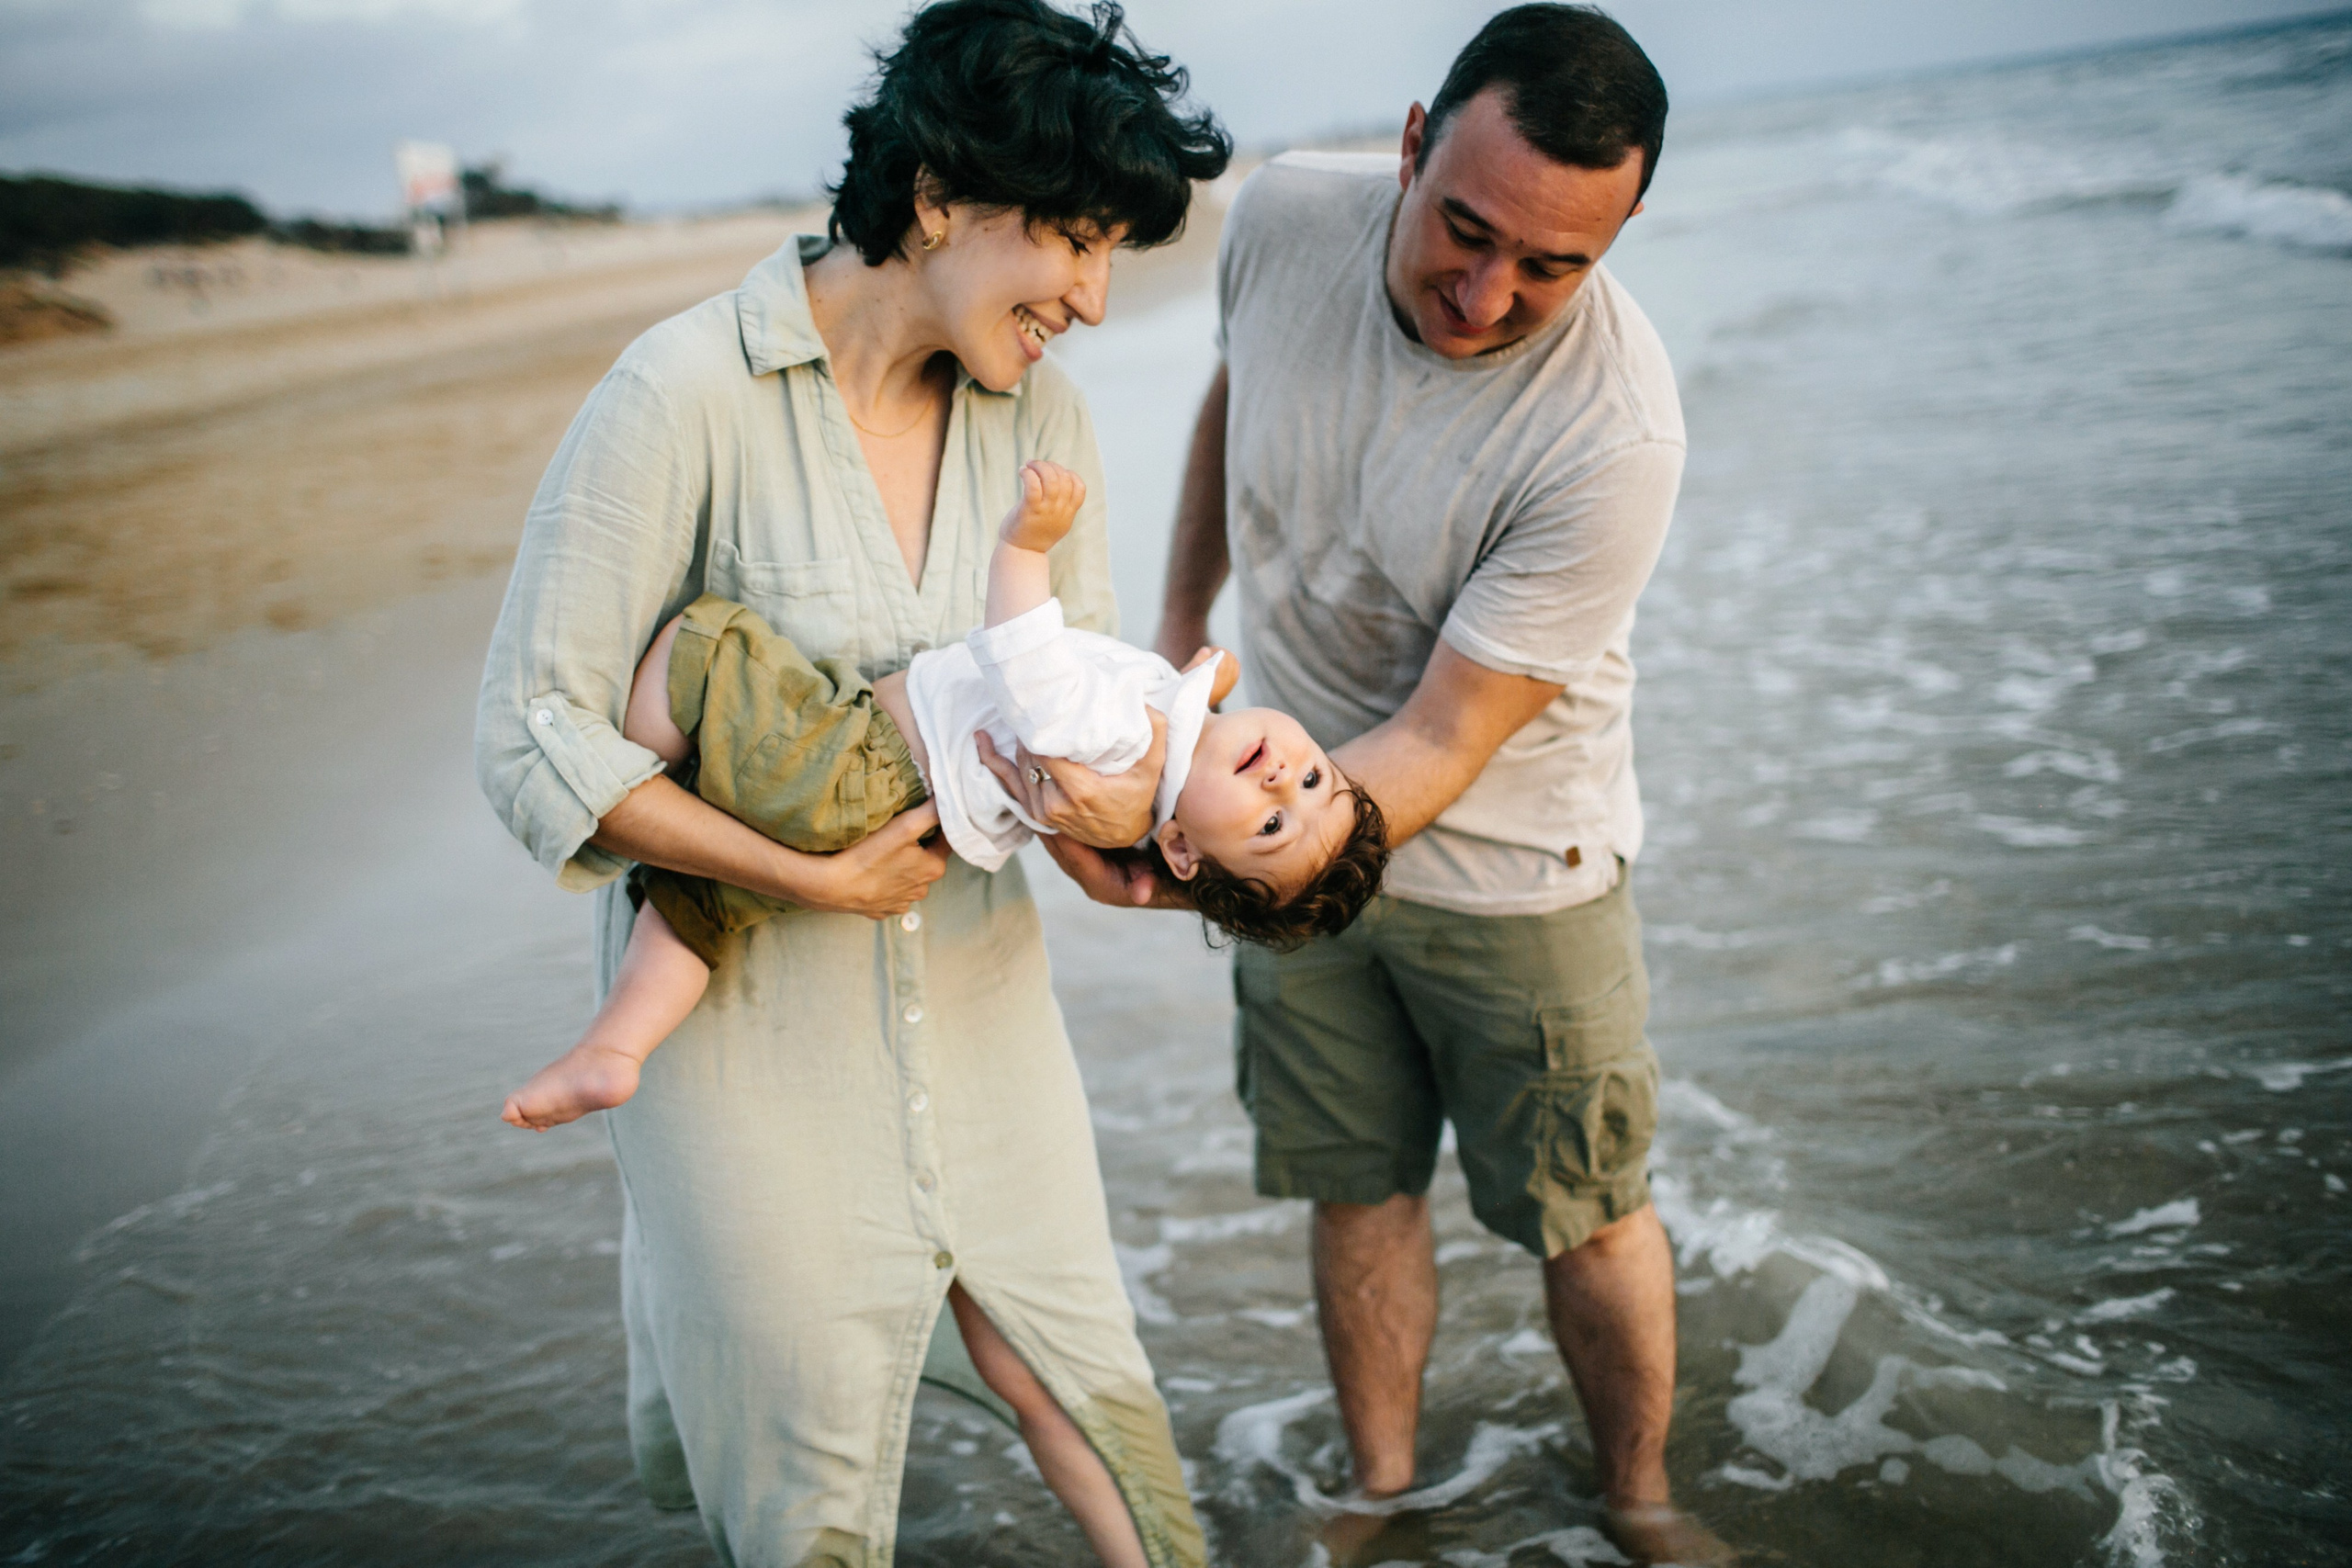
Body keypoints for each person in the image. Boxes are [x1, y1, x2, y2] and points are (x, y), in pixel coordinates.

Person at [472, 3, 1229, 1563]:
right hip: (740, 1046)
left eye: (1112, 259)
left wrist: (1127, 844)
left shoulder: (1048, 419)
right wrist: (806, 876)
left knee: (1092, 1394)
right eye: (1077, 241)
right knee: (806, 1472)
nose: (1091, 298)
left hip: (985, 1003)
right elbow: (536, 729)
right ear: (941, 196)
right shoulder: (679, 393)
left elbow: (1046, 720)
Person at [1031, 6, 1732, 1562]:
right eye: (1466, 232)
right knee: (1353, 1192)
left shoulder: (1615, 433)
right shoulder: (1287, 215)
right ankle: (1378, 1485)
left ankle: (1639, 1495)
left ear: (1618, 237)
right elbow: (1239, 398)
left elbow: (1438, 740)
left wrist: (1203, 841)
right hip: (1275, 818)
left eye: (1553, 267)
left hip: (1512, 867)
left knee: (1587, 1206)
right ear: (1414, 144)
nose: (1488, 297)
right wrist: (1172, 641)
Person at [501, 458, 1390, 1134]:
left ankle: (646, 758)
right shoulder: (1173, 744)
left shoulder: (1125, 740)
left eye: (1275, 823)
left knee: (707, 648)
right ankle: (615, 1049)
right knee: (694, 902)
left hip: (861, 759)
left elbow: (1029, 664)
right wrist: (1210, 673)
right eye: (1317, 779)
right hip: (881, 813)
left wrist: (1025, 546)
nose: (1286, 780)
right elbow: (1205, 686)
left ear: (1184, 853)